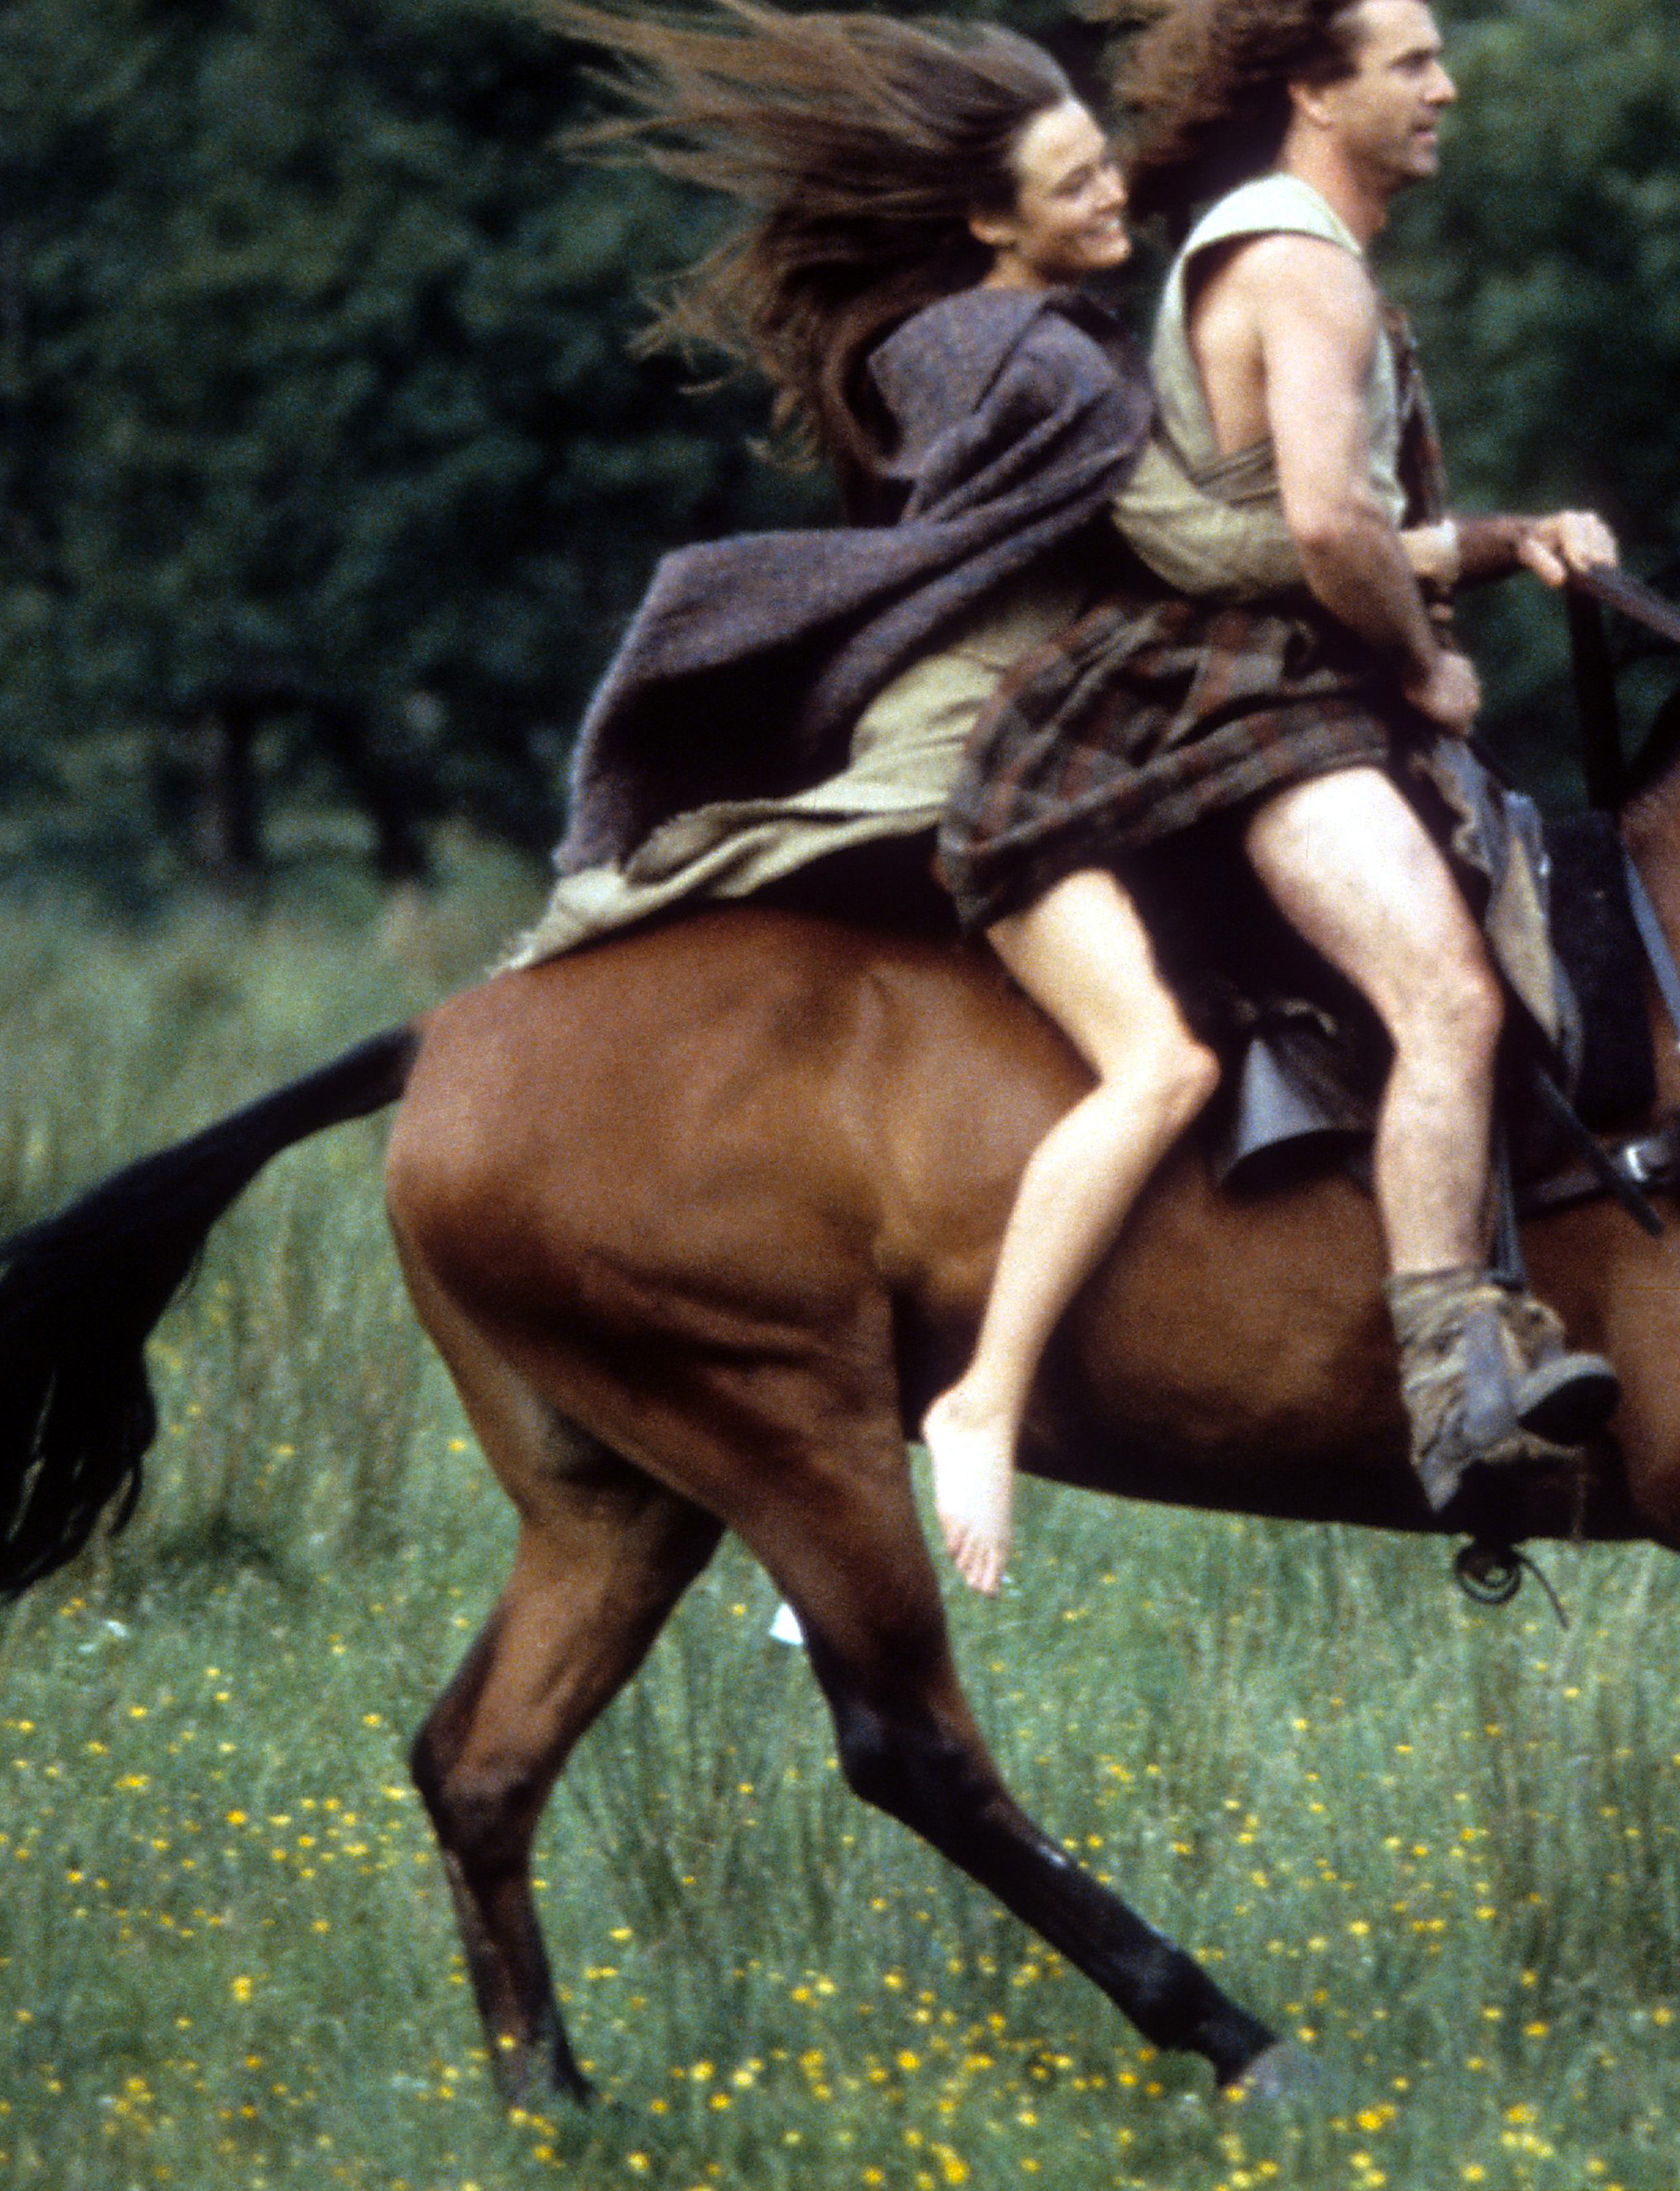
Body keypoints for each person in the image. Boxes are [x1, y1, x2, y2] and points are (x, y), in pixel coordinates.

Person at [538, 5, 1312, 1600]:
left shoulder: (994, 337)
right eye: (1076, 182)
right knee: (1157, 1061)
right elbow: (1186, 533)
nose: (1114, 200)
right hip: (996, 751)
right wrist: (1447, 554)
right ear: (987, 220)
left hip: (1046, 718)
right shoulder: (1037, 359)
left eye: (1110, 166)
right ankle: (981, 1397)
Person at [944, 0, 1622, 1523]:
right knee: (1445, 988)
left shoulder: (1292, 250)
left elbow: (1312, 519)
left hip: (1273, 679)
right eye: (1412, 65)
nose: (1447, 87)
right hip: (1263, 704)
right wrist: (1426, 659)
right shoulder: (1300, 258)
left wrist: (1503, 545)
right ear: (1318, 93)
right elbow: (1326, 528)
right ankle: (1453, 1389)